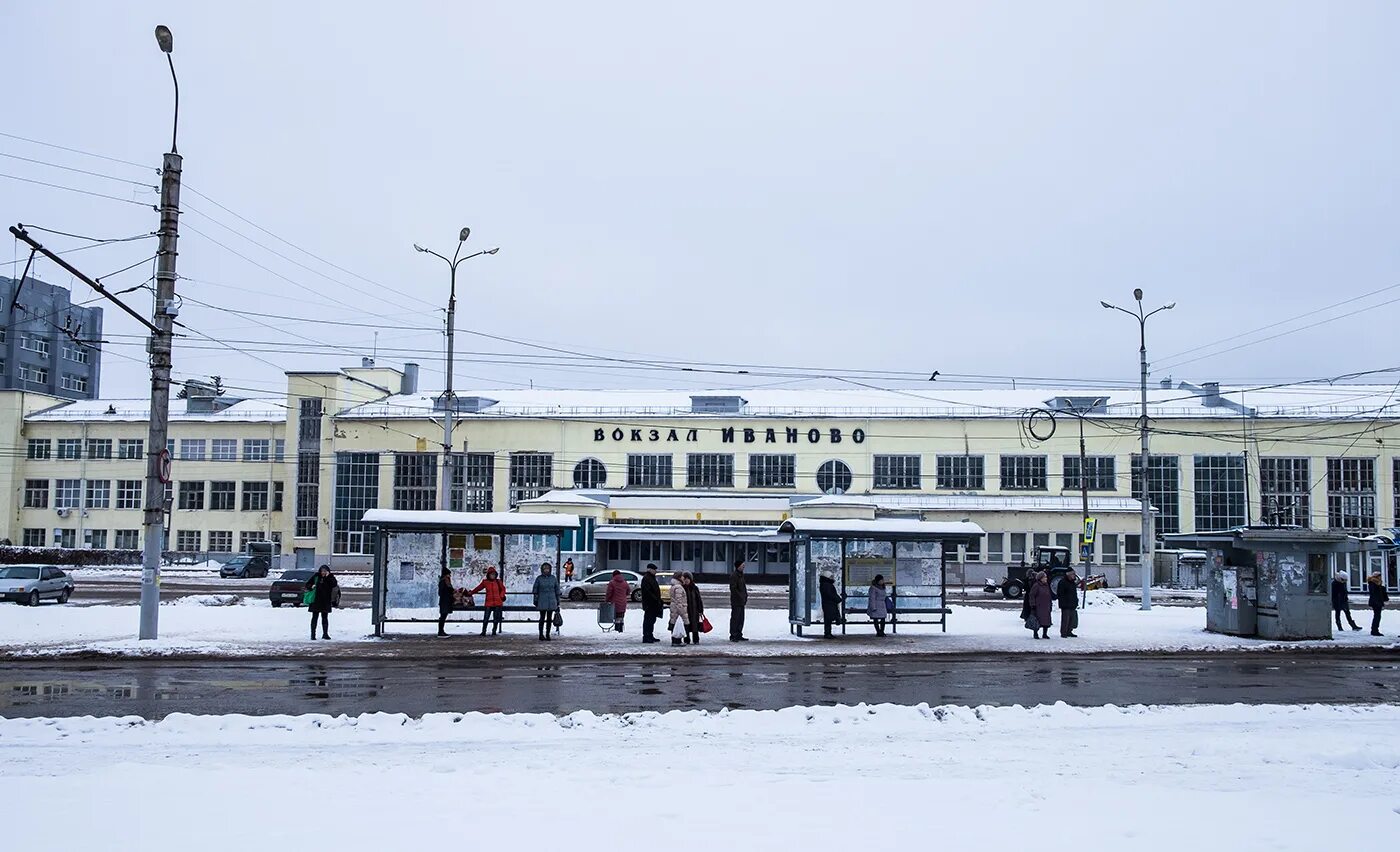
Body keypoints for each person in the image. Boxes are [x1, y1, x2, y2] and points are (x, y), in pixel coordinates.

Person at [468, 566, 507, 636]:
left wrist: (501, 595)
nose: (493, 576)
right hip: (489, 603)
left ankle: (494, 631)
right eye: (491, 574)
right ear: (488, 575)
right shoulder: (485, 582)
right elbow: (478, 588)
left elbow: (503, 589)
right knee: (486, 618)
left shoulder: (498, 581)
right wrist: (471, 592)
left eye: (494, 574)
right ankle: (483, 631)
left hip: (498, 602)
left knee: (496, 619)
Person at [304, 564, 339, 640]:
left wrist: (329, 577)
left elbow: (334, 584)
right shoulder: (316, 576)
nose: (323, 572)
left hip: (325, 601)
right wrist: (311, 586)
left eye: (325, 571)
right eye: (322, 571)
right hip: (316, 601)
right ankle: (313, 635)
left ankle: (325, 634)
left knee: (325, 618)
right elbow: (307, 584)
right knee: (314, 618)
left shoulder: (330, 578)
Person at [533, 562, 561, 641]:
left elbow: (557, 590)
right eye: (545, 569)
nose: (546, 570)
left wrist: (557, 601)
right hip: (542, 600)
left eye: (547, 569)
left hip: (551, 601)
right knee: (542, 618)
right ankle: (541, 634)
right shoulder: (539, 578)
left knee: (549, 619)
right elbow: (535, 590)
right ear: (542, 570)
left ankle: (548, 634)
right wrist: (535, 600)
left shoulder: (553, 578)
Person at [640, 563, 664, 643]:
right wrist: (655, 599)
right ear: (649, 569)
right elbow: (648, 592)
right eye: (654, 570)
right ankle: (646, 636)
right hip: (649, 604)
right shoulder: (647, 578)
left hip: (653, 604)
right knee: (648, 621)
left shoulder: (651, 578)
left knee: (652, 620)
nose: (655, 571)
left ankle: (650, 635)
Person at [1028, 571, 1053, 640]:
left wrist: (1050, 604)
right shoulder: (1036, 585)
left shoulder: (1047, 585)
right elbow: (1032, 595)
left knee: (1046, 621)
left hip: (1046, 606)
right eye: (1044, 577)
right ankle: (1035, 633)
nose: (1046, 579)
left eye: (1046, 577)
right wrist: (1033, 604)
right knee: (1037, 620)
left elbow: (1049, 596)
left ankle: (1045, 634)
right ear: (1040, 578)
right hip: (1038, 606)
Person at [819, 572, 844, 638]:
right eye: (831, 577)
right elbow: (830, 594)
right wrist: (838, 599)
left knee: (828, 619)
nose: (832, 578)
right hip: (830, 604)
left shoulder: (825, 584)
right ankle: (827, 633)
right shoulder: (827, 585)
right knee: (828, 619)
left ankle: (828, 633)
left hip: (828, 604)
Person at [729, 558, 749, 641]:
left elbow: (743, 587)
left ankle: (738, 634)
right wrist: (741, 596)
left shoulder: (741, 575)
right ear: (738, 566)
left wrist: (745, 596)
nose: (744, 566)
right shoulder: (734, 576)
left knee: (741, 618)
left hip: (741, 601)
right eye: (742, 565)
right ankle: (733, 635)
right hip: (736, 601)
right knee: (735, 618)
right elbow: (733, 588)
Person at [1057, 569, 1080, 638]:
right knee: (1065, 619)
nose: (1074, 576)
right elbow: (1060, 594)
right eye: (1073, 574)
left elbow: (1074, 594)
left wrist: (1076, 602)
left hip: (1072, 604)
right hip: (1065, 604)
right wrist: (1063, 603)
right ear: (1068, 575)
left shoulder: (1072, 583)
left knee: (1071, 619)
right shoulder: (1062, 582)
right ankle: (1064, 632)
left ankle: (1069, 631)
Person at [683, 571, 705, 645]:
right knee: (686, 625)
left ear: (690, 579)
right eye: (685, 578)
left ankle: (696, 639)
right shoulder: (682, 588)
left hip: (694, 610)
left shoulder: (695, 588)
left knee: (695, 625)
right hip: (685, 610)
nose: (686, 580)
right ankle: (686, 639)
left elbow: (699, 599)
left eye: (687, 578)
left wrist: (700, 609)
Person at [668, 573, 690, 646]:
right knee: (678, 625)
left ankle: (675, 641)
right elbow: (679, 600)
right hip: (678, 611)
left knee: (674, 624)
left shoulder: (674, 586)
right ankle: (677, 641)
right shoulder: (679, 587)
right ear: (679, 578)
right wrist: (682, 612)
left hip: (674, 609)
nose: (684, 578)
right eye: (682, 577)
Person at [1367, 572, 1390, 636]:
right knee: (1377, 616)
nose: (1380, 577)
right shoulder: (1373, 583)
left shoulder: (1377, 583)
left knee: (1377, 616)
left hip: (1377, 602)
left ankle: (1375, 630)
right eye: (1379, 576)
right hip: (1376, 602)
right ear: (1377, 577)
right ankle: (1374, 630)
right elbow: (1375, 593)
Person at [437, 567, 454, 637]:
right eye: (449, 574)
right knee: (443, 617)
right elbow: (441, 592)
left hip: (445, 601)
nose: (450, 576)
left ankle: (441, 631)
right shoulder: (444, 582)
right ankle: (440, 632)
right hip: (445, 601)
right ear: (445, 575)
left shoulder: (445, 581)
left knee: (443, 616)